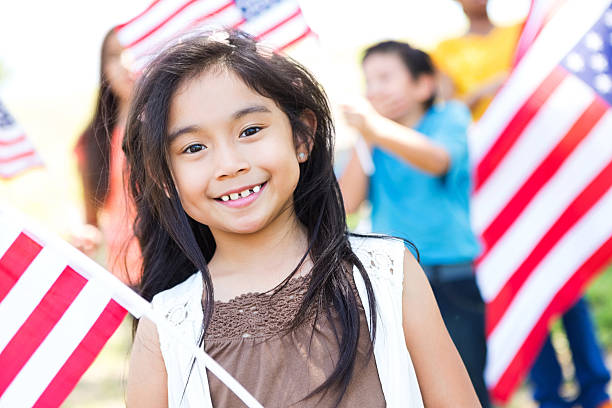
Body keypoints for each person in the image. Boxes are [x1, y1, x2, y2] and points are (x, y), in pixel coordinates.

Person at [124, 31, 480, 407]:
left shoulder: (387, 275)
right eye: (194, 147)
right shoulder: (165, 330)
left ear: (302, 137)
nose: (230, 165)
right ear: (163, 176)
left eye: (250, 130)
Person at [339, 40, 490, 407]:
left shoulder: (449, 116)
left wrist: (376, 128)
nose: (374, 89)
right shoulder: (376, 135)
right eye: (369, 81)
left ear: (424, 84)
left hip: (450, 275)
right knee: (410, 384)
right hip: (398, 279)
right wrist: (367, 135)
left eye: (385, 77)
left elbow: (437, 160)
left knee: (464, 379)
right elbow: (346, 202)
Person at [73, 27, 140, 283]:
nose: (126, 63)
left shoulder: (174, 128)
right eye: (114, 55)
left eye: (132, 50)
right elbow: (92, 215)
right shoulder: (91, 140)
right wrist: (85, 234)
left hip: (177, 268)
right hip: (125, 276)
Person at [430, 0, 521, 120]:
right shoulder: (444, 50)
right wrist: (480, 93)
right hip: (483, 132)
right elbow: (447, 111)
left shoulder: (519, 30)